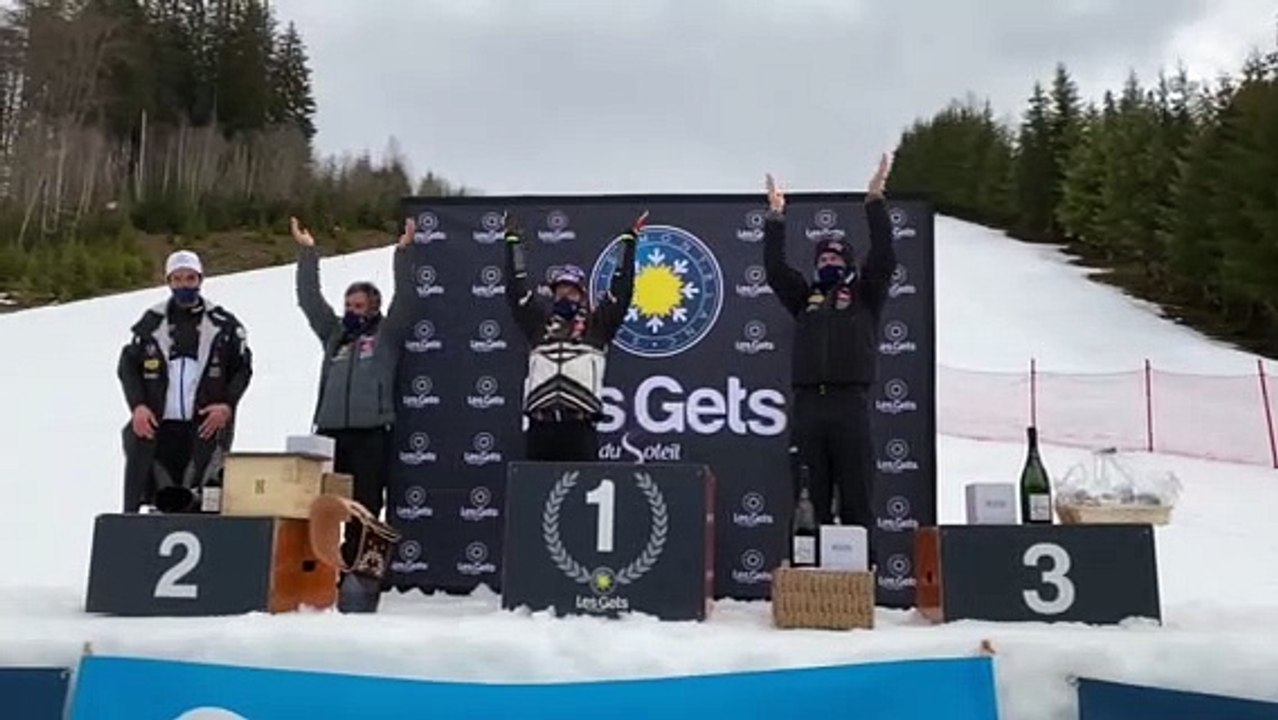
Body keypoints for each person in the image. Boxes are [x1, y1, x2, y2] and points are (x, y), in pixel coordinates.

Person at [762, 154, 895, 534]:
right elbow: (774, 271)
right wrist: (775, 217)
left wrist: (874, 202)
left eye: (837, 256)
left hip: (849, 405)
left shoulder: (865, 295)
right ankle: (810, 584)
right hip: (808, 407)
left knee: (856, 499)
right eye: (823, 256)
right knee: (809, 501)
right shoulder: (805, 298)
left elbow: (884, 258)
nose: (829, 261)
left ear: (849, 263)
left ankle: (860, 579)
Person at [291, 215, 415, 572]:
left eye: (358, 307)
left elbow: (407, 298)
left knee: (365, 505)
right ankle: (322, 572)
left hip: (371, 434)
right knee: (324, 506)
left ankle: (362, 573)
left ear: (374, 308)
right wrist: (308, 252)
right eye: (348, 306)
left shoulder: (386, 337)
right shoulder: (335, 336)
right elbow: (309, 300)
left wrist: (404, 253)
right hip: (330, 434)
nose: (351, 312)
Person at [502, 210, 646, 461]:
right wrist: (512, 243)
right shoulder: (538, 325)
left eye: (571, 291)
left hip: (579, 428)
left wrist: (629, 241)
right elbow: (516, 290)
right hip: (540, 428)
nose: (564, 296)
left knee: (579, 494)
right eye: (559, 291)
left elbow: (622, 291)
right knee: (535, 495)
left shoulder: (598, 326)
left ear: (581, 295)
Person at [118, 250, 253, 513]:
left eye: (190, 278)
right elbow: (127, 367)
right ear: (168, 281)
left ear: (200, 279)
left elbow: (243, 369)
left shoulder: (222, 324)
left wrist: (226, 406)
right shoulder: (151, 322)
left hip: (204, 425)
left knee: (202, 495)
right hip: (159, 425)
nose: (184, 285)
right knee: (159, 494)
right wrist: (138, 406)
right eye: (177, 278)